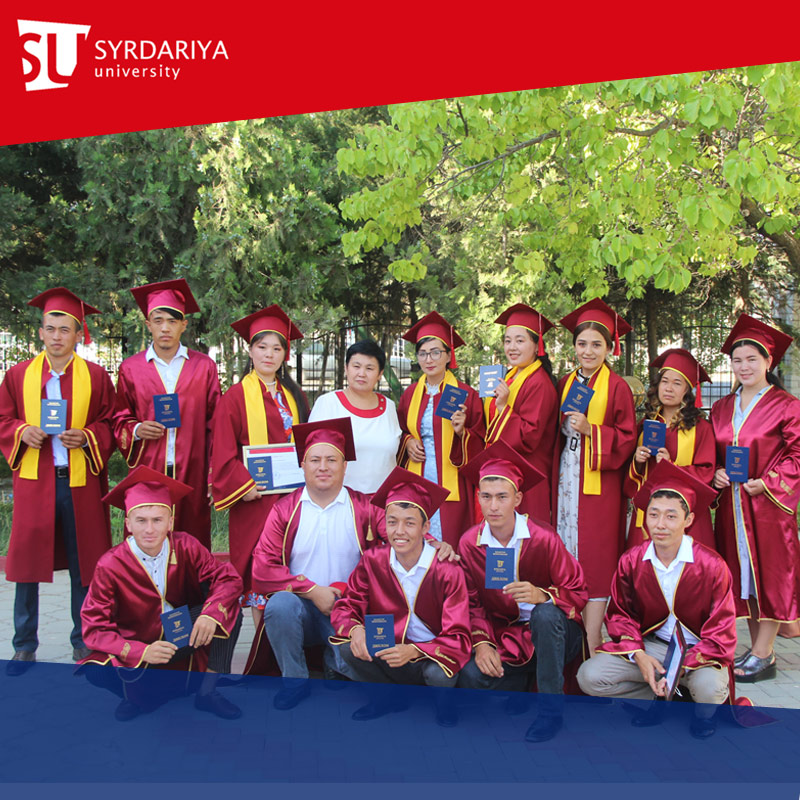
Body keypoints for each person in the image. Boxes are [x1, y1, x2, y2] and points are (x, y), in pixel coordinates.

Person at [0, 288, 116, 676]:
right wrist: (22, 432)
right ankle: (24, 645)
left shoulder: (95, 376)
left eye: (65, 330)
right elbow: (3, 419)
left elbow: (110, 422)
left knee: (85, 564)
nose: (56, 336)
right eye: (50, 329)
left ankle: (84, 640)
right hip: (36, 481)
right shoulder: (18, 375)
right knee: (26, 565)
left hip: (80, 482)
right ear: (40, 332)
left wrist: (87, 437)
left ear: (78, 334)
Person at [577, 460, 735, 739]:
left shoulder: (712, 566)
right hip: (653, 646)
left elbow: (721, 632)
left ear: (688, 520)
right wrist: (638, 654)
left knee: (709, 690)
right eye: (653, 515)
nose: (660, 524)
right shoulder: (632, 560)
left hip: (700, 652)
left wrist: (681, 667)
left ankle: (698, 710)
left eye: (671, 516)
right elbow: (621, 615)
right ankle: (659, 697)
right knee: (589, 677)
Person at [80, 466, 243, 721]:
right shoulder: (110, 565)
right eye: (141, 520)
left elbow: (227, 579)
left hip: (178, 629)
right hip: (136, 639)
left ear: (170, 522)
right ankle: (134, 697)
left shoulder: (186, 545)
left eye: (157, 520)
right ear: (128, 524)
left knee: (228, 609)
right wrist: (140, 651)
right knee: (95, 669)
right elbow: (94, 627)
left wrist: (210, 614)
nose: (149, 529)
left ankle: (207, 692)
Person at [456, 441, 587, 743]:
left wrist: (543, 595)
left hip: (555, 633)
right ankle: (523, 686)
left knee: (544, 615)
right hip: (506, 635)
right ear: (478, 497)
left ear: (517, 498)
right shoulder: (470, 543)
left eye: (502, 497)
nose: (493, 506)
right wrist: (482, 644)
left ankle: (550, 712)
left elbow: (578, 590)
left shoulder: (543, 538)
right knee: (470, 677)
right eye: (486, 496)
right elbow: (472, 604)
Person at [248, 418, 383, 709]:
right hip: (302, 609)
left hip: (351, 609)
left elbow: (401, 537)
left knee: (361, 676)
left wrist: (435, 544)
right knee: (279, 605)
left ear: (345, 466)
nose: (323, 467)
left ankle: (334, 662)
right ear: (303, 465)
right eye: (315, 460)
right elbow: (261, 568)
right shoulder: (284, 509)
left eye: (331, 460)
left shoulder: (365, 507)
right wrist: (311, 591)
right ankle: (295, 681)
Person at [331, 468, 470, 725]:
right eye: (392, 522)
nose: (399, 531)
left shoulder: (447, 570)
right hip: (390, 649)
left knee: (439, 675)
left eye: (410, 523)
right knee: (347, 646)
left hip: (430, 654)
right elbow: (346, 606)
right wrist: (355, 630)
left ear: (426, 527)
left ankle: (444, 705)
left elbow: (458, 636)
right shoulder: (373, 560)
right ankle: (387, 699)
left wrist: (414, 651)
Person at [711, 314, 800, 683]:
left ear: (768, 361)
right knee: (743, 577)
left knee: (771, 576)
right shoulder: (721, 407)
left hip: (767, 507)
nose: (744, 366)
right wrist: (716, 472)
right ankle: (759, 650)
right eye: (737, 360)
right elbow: (713, 452)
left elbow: (798, 455)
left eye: (751, 359)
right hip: (732, 507)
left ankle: (763, 653)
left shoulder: (787, 406)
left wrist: (770, 482)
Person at [211, 305, 308, 619]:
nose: (269, 354)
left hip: (292, 500)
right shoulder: (235, 397)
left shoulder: (295, 396)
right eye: (262, 347)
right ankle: (259, 646)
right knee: (260, 575)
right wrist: (243, 486)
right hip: (256, 501)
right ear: (250, 350)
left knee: (292, 569)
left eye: (277, 348)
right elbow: (223, 453)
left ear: (285, 354)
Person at [554, 298, 637, 654]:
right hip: (567, 475)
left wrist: (592, 430)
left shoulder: (617, 387)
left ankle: (592, 637)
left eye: (596, 345)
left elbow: (628, 436)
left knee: (598, 552)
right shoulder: (565, 382)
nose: (588, 351)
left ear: (609, 348)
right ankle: (569, 634)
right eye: (582, 343)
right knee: (567, 545)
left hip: (600, 479)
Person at [113, 279, 221, 549]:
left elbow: (215, 424)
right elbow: (119, 418)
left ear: (184, 325)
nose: (165, 328)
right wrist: (137, 429)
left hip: (193, 471)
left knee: (192, 544)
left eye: (172, 321)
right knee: (148, 541)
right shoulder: (131, 369)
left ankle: (192, 580)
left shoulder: (203, 367)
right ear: (148, 324)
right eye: (158, 320)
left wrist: (212, 473)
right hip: (149, 469)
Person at [398, 311, 485, 546]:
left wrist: (462, 433)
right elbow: (400, 431)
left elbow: (481, 440)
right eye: (423, 353)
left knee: (451, 537)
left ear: (448, 355)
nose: (429, 359)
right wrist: (408, 441)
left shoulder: (465, 394)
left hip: (452, 478)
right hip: (419, 474)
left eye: (436, 352)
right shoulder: (410, 394)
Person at [624, 348, 715, 549]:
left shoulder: (701, 428)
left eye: (677, 383)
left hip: (686, 516)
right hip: (649, 512)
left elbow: (706, 474)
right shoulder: (645, 425)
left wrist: (671, 466)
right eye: (665, 381)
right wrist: (637, 461)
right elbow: (630, 484)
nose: (668, 388)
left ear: (687, 391)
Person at [484, 304, 559, 523]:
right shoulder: (510, 376)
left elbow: (529, 437)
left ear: (537, 346)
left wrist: (503, 408)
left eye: (520, 341)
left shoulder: (539, 383)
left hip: (528, 477)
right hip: (506, 474)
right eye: (507, 341)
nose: (512, 347)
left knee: (526, 534)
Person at [309, 339, 401, 494]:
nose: (361, 374)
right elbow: (311, 456)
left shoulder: (389, 407)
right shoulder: (328, 403)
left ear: (380, 374)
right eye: (356, 366)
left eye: (369, 368)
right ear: (346, 368)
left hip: (384, 501)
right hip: (341, 499)